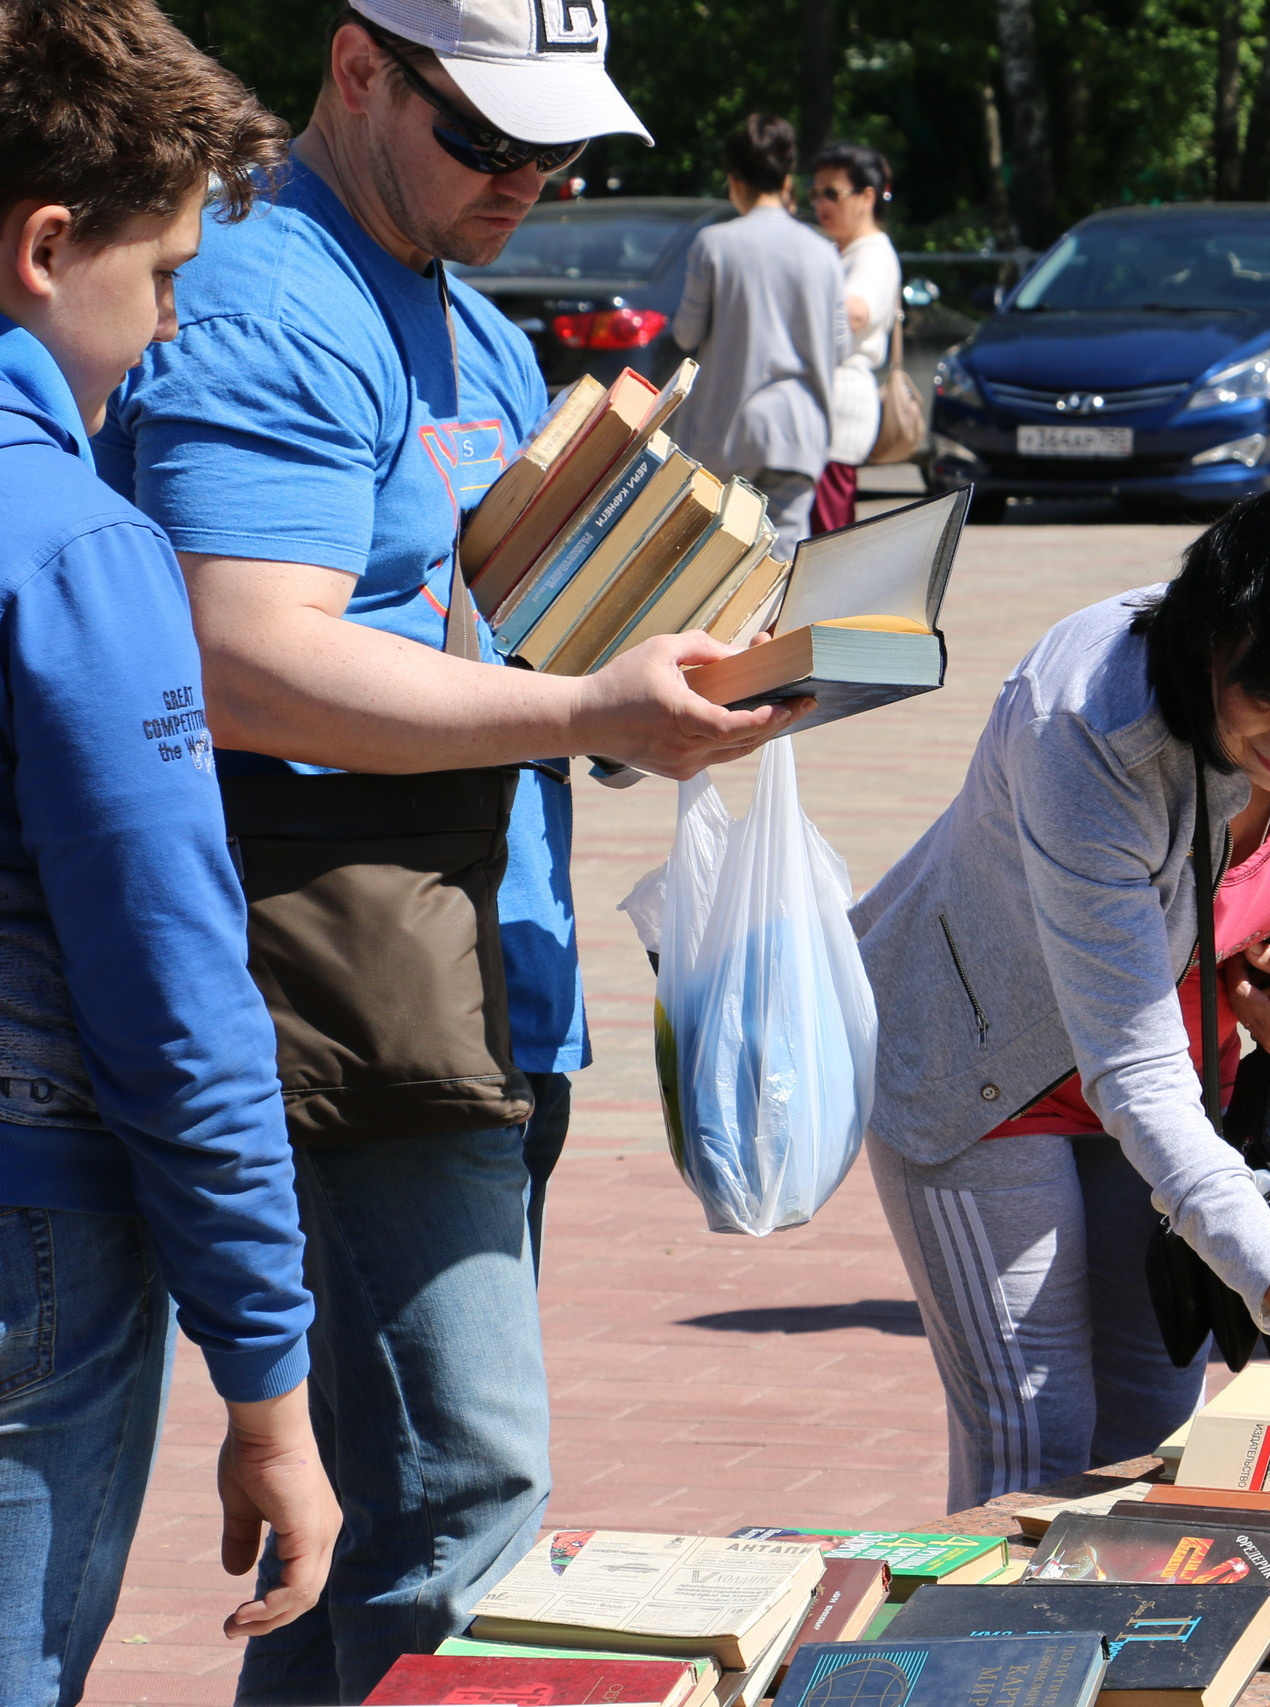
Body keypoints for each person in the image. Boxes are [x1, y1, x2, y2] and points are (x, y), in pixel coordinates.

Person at [97, 4, 799, 1699]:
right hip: (352, 992)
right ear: (359, 72)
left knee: (369, 1535)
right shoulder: (265, 299)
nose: (531, 179)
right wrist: (582, 712)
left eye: (558, 145)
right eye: (488, 136)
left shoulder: (471, 330)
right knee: (463, 1511)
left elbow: (503, 649)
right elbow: (237, 656)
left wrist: (669, 695)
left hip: (476, 987)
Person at [853, 483, 1270, 1510]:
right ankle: (999, 1668)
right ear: (1212, 641)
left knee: (1152, 1427)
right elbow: (1129, 1067)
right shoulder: (1088, 722)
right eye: (1267, 697)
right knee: (1035, 1442)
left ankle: (1123, 1666)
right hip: (983, 1074)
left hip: (1175, 1084)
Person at [0, 2, 339, 1697]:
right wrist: (268, 1388)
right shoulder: (71, 545)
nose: (175, 324)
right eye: (165, 273)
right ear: (46, 248)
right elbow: (172, 989)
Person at [673, 114, 845, 555]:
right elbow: (839, 343)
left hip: (725, 431)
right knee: (785, 562)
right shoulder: (822, 250)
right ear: (787, 178)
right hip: (798, 430)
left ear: (734, 180)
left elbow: (686, 334)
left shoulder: (714, 244)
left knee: (717, 560)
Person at [809, 141, 900, 536]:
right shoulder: (843, 251)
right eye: (815, 194)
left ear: (866, 197)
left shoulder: (872, 253)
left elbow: (857, 310)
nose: (821, 204)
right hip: (825, 411)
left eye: (832, 193)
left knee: (827, 537)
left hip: (840, 410)